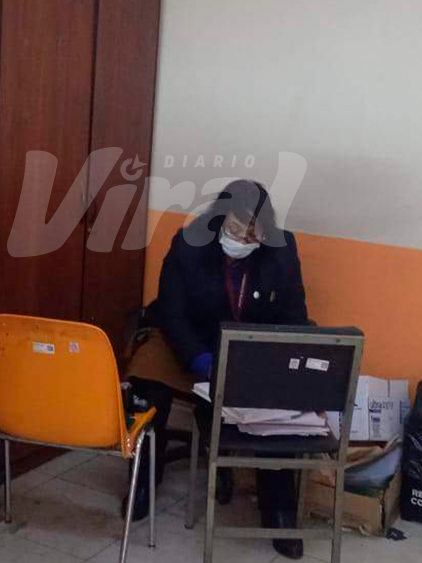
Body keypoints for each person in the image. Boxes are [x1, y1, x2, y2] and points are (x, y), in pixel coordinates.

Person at [124, 179, 310, 559]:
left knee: (281, 402)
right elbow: (172, 312)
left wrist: (282, 360)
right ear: (221, 217)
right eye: (238, 225)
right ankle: (142, 482)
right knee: (147, 379)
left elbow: (294, 315)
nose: (246, 236)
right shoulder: (189, 243)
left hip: (250, 350)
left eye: (255, 229)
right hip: (188, 343)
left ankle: (278, 510)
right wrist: (200, 360)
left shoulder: (282, 249)